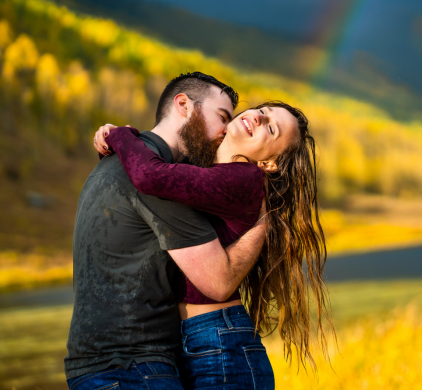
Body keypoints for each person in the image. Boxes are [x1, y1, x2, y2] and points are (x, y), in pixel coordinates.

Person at [93, 99, 333, 389]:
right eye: (264, 111)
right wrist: (125, 143)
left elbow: (149, 176)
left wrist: (120, 135)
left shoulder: (245, 179)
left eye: (271, 128)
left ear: (270, 163)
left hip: (219, 344)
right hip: (197, 341)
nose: (257, 117)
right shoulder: (210, 175)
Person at [65, 72, 268, 390]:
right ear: (184, 105)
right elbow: (218, 282)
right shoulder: (160, 181)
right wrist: (263, 222)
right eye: (221, 117)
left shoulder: (109, 164)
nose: (226, 130)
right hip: (133, 369)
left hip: (95, 367)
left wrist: (119, 134)